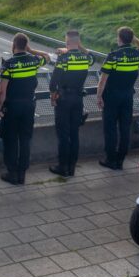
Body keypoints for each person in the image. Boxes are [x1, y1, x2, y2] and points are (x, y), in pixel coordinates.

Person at [0, 34, 50, 185]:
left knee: (11, 140)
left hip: (12, 107)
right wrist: (32, 50)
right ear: (26, 45)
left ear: (13, 45)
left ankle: (12, 173)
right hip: (28, 106)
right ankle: (22, 174)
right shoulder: (34, 61)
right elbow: (47, 57)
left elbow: (2, 91)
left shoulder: (8, 64)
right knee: (25, 140)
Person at [96, 27, 139, 170]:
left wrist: (99, 96)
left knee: (110, 128)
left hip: (111, 97)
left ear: (119, 38)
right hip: (127, 96)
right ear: (130, 39)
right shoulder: (137, 54)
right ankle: (120, 160)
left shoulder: (113, 55)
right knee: (125, 128)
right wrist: (134, 38)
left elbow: (103, 79)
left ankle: (110, 159)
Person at [48, 30, 95, 177]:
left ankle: (62, 167)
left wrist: (52, 96)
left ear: (67, 42)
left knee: (63, 135)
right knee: (74, 134)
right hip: (78, 99)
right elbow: (91, 56)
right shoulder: (86, 58)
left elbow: (54, 81)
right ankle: (72, 167)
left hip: (64, 99)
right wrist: (79, 46)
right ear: (78, 42)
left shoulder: (63, 58)